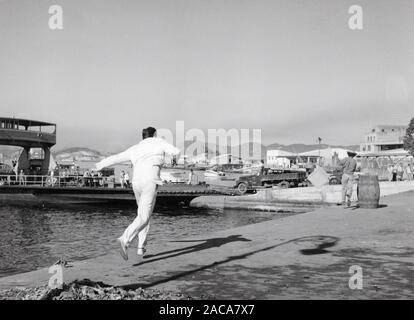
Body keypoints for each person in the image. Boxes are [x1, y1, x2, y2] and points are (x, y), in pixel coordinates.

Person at [96, 126, 180, 260]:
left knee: (142, 215)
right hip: (150, 182)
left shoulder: (135, 148)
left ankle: (141, 247)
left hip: (136, 183)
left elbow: (117, 158)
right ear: (155, 134)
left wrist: (99, 165)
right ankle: (125, 239)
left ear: (143, 136)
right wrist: (174, 159)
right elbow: (176, 151)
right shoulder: (160, 143)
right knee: (144, 216)